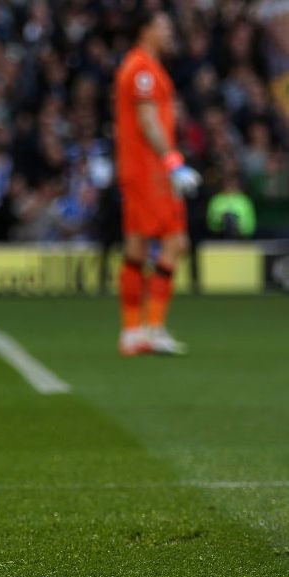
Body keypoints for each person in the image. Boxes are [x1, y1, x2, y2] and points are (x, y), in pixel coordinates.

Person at [113, 9, 201, 356]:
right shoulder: (142, 69)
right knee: (176, 241)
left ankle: (134, 332)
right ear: (145, 30)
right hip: (149, 172)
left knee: (136, 246)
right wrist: (173, 161)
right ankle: (152, 327)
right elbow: (148, 121)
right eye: (163, 26)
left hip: (140, 170)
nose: (169, 32)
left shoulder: (140, 65)